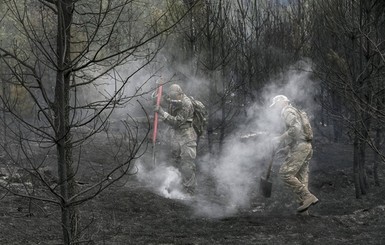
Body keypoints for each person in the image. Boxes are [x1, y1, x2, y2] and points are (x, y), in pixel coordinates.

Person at [269, 95, 319, 214]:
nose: (275, 108)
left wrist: (279, 139)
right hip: (306, 146)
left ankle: (308, 196)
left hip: (300, 148)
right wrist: (287, 147)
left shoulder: (286, 111)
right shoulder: (296, 111)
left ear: (282, 103)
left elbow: (295, 129)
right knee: (301, 179)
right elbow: (300, 132)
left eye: (276, 105)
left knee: (285, 173)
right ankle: (304, 212)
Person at [154, 84, 197, 197]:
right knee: (175, 161)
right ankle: (175, 186)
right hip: (176, 135)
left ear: (180, 93)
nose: (172, 99)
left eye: (174, 96)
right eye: (171, 96)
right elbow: (167, 101)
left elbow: (177, 121)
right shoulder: (174, 100)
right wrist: (158, 98)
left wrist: (162, 113)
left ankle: (189, 191)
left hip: (187, 136)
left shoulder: (186, 104)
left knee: (187, 164)